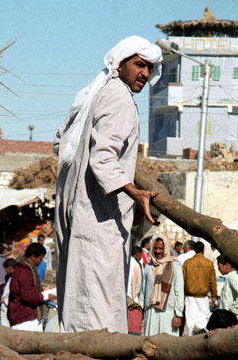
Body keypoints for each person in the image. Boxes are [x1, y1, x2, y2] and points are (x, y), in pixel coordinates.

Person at [54, 36, 162, 333]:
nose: (145, 73)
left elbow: (61, 142)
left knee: (79, 298)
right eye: (139, 65)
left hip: (79, 212)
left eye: (150, 68)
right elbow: (102, 159)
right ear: (120, 64)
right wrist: (133, 190)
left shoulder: (95, 93)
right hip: (98, 217)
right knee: (96, 307)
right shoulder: (119, 98)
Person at [140, 234, 184, 336]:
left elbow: (179, 292)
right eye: (155, 248)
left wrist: (178, 315)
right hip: (150, 312)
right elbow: (144, 291)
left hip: (168, 312)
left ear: (166, 249)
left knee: (168, 347)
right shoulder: (148, 267)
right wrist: (142, 310)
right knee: (150, 344)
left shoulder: (175, 266)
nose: (158, 251)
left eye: (161, 248)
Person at [8, 243, 54, 331]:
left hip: (23, 317)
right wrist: (47, 296)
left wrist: (43, 289)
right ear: (33, 257)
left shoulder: (22, 268)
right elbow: (29, 297)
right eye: (40, 258)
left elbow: (25, 289)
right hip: (25, 319)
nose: (41, 261)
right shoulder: (25, 271)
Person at [183, 241, 217, 336]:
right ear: (203, 250)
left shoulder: (187, 263)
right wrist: (214, 295)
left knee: (190, 321)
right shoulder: (208, 263)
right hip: (203, 297)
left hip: (190, 297)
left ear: (194, 250)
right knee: (203, 320)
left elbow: (183, 280)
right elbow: (212, 281)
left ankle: (191, 339)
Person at [217, 255, 238, 326]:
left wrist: (233, 308)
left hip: (231, 319)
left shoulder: (233, 278)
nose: (219, 269)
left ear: (227, 265)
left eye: (219, 266)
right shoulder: (229, 278)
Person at [127, 245, 144, 335]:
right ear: (137, 254)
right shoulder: (136, 265)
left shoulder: (126, 261)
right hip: (132, 298)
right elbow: (138, 284)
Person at [0, 258, 16, 327]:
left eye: (6, 268)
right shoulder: (10, 277)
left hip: (8, 303)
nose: (5, 270)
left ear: (10, 267)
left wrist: (6, 299)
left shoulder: (14, 278)